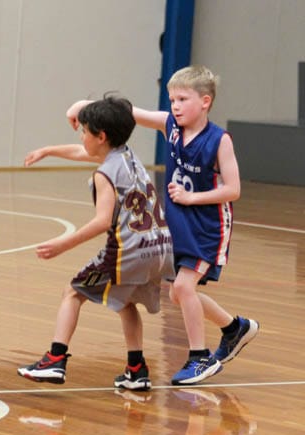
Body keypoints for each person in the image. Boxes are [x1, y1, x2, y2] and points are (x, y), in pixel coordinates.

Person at [67, 65, 259, 386]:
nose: (176, 106)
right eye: (172, 100)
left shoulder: (219, 140)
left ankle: (199, 358)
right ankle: (233, 328)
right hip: (178, 221)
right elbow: (127, 111)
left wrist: (192, 197)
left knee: (183, 288)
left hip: (209, 226)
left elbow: (233, 190)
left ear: (205, 102)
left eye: (183, 99)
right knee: (179, 293)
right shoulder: (169, 125)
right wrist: (81, 106)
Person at [17, 95, 174, 391]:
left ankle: (55, 359)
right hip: (160, 248)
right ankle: (136, 370)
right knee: (125, 302)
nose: (80, 136)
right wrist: (48, 150)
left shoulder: (105, 174)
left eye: (84, 131)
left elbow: (103, 221)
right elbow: (81, 151)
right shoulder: (127, 156)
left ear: (101, 136)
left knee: (73, 292)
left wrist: (63, 244)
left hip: (129, 251)